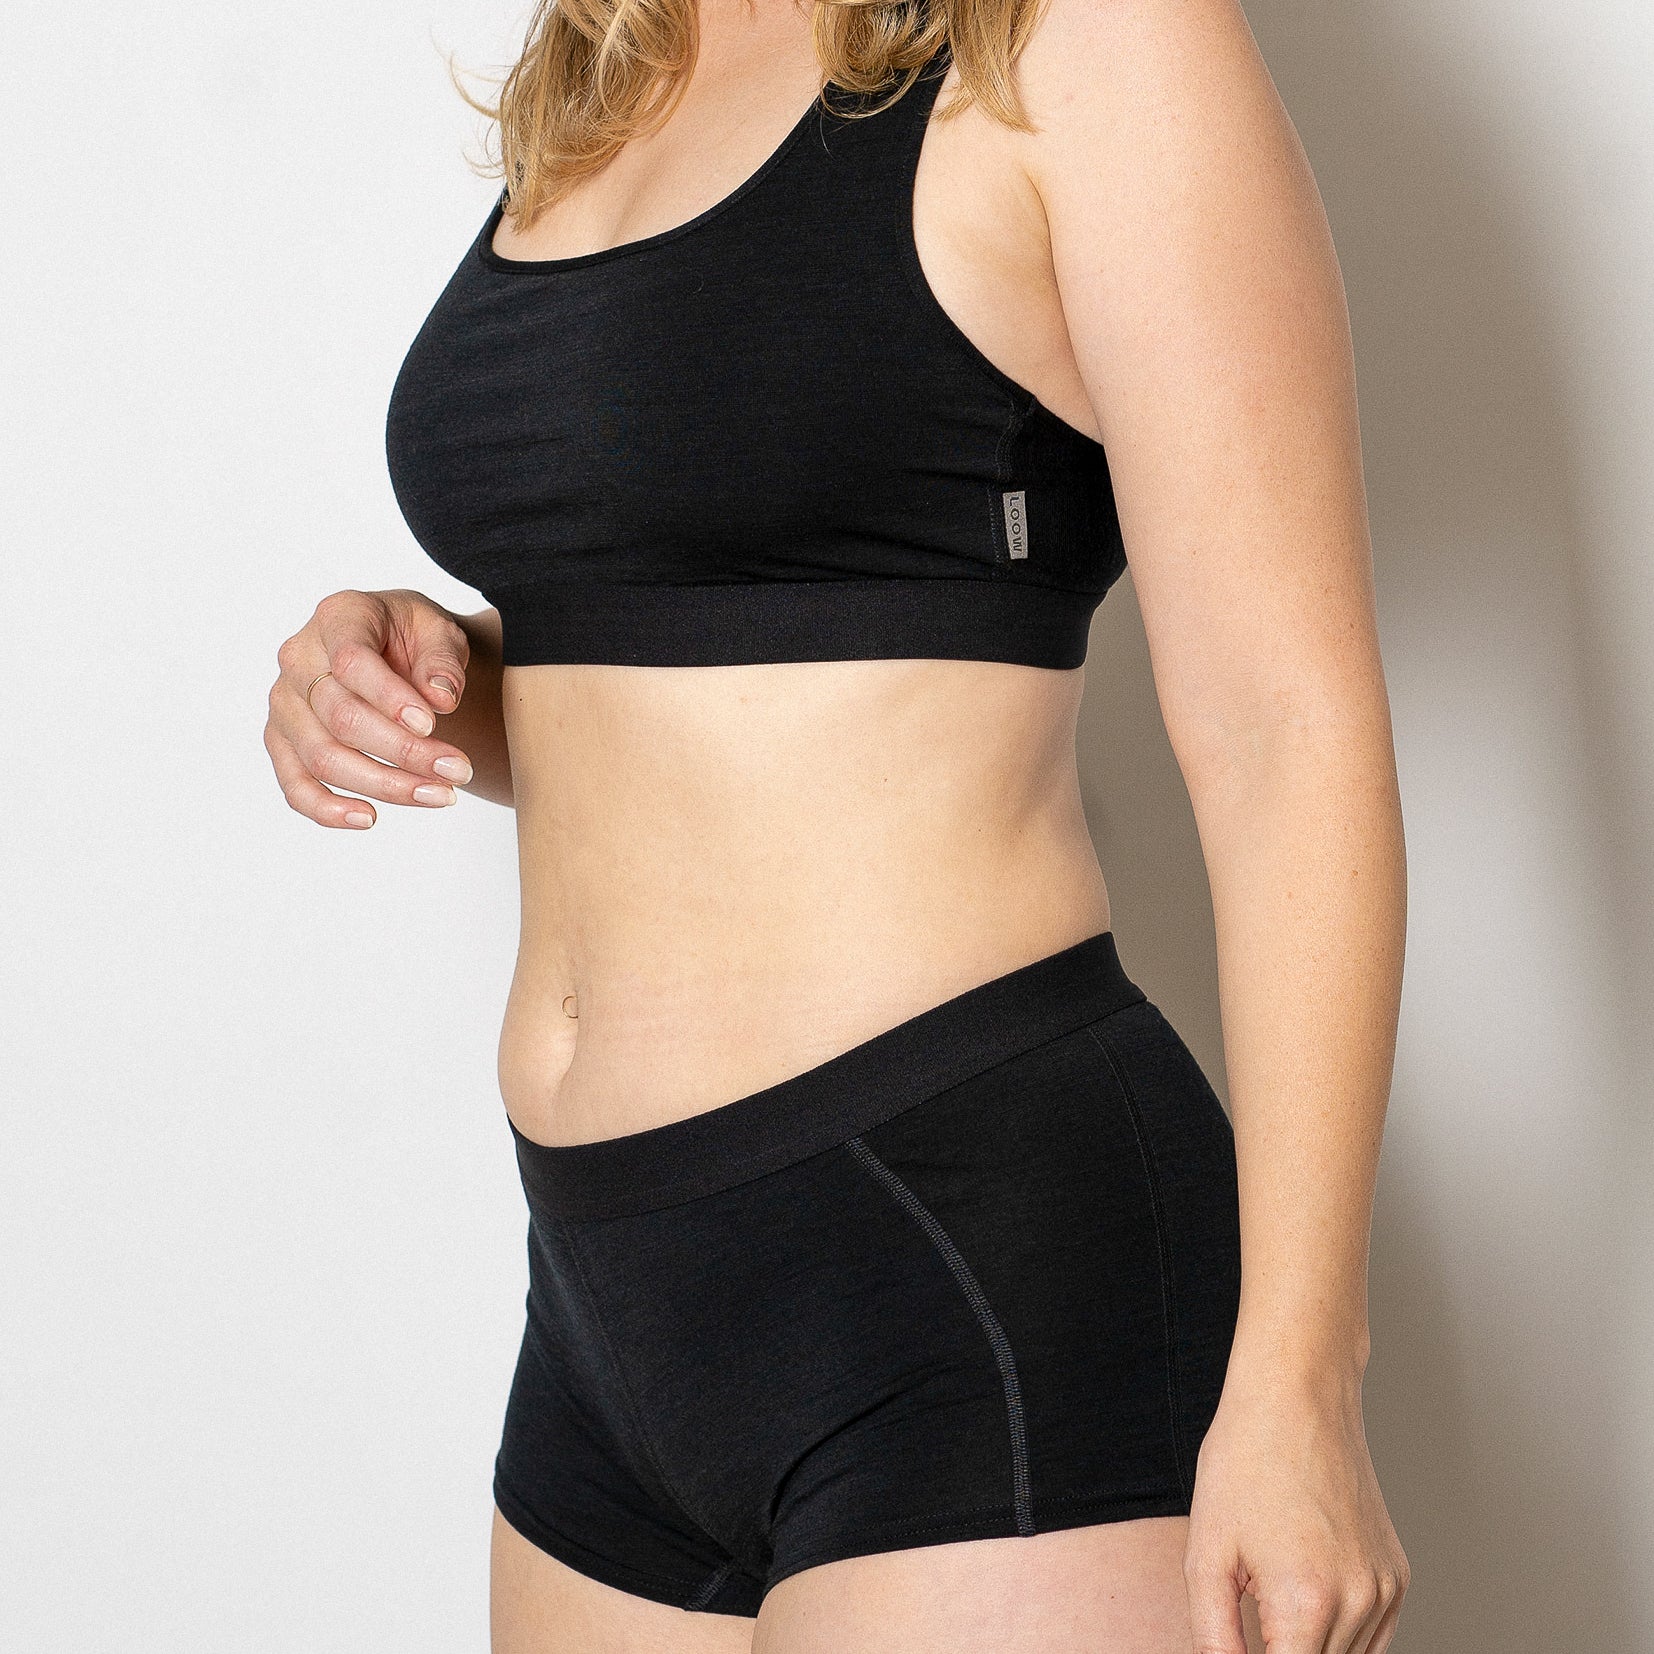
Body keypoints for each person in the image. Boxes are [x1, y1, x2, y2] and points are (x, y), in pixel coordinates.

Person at [263, 0, 1410, 1646]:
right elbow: (711, 629)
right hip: (604, 1300)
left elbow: (1281, 732)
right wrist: (424, 678)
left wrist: (1299, 1379)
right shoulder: (616, 61)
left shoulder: (1084, 39)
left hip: (968, 1255)